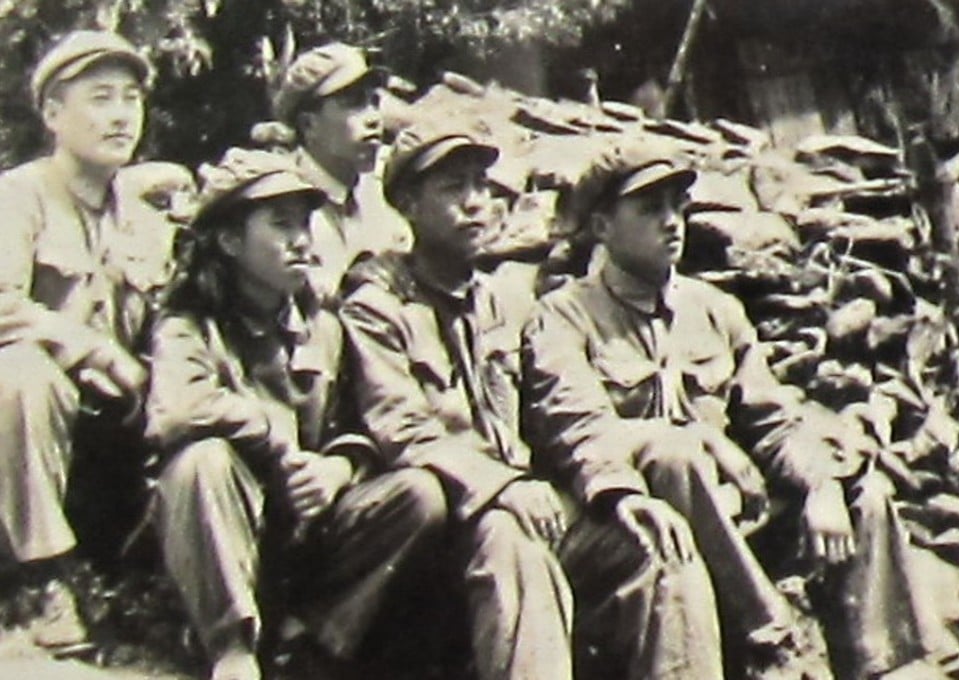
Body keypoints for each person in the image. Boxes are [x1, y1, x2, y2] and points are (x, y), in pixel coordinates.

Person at [521, 140, 959, 679]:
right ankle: (771, 642)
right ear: (600, 227)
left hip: (726, 518)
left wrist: (820, 485)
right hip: (630, 526)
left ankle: (887, 667)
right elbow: (582, 432)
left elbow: (773, 419)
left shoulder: (713, 310)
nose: (671, 223)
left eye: (676, 206)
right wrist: (704, 440)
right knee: (676, 453)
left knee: (860, 496)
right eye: (649, 209)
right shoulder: (561, 319)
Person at [145, 148, 446, 680]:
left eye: (305, 223)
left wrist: (336, 469)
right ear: (230, 241)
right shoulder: (190, 325)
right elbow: (176, 409)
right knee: (203, 461)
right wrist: (272, 432)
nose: (301, 240)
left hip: (301, 534)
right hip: (219, 536)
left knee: (418, 494)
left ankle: (309, 643)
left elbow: (365, 425)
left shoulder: (324, 326)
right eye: (280, 226)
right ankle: (230, 650)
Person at [340, 124, 573, 680]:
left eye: (481, 185)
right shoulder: (377, 308)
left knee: (650, 536)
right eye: (452, 188)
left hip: (524, 507)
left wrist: (615, 483)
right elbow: (403, 430)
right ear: (409, 205)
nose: (476, 203)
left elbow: (557, 406)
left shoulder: (508, 302)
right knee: (510, 542)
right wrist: (506, 487)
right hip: (442, 534)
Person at [0, 29, 159, 657]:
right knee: (21, 371)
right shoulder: (17, 196)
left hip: (103, 436)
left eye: (130, 98)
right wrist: (91, 350)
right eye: (100, 98)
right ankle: (43, 578)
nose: (121, 114)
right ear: (52, 114)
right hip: (21, 428)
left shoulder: (145, 219)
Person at [273, 41, 411, 309]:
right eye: (353, 103)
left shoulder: (389, 189)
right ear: (308, 124)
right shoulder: (278, 202)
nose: (374, 118)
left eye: (374, 102)